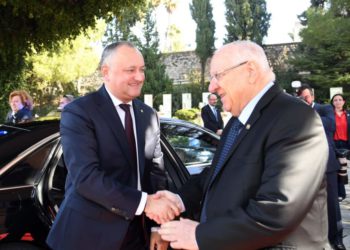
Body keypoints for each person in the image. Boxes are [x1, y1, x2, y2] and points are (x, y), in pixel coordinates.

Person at [156, 41, 329, 249]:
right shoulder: (236, 123)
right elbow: (217, 174)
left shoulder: (295, 118)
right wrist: (179, 199)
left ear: (250, 71)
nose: (212, 86)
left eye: (218, 75)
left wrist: (199, 235)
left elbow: (277, 210)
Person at [46, 41, 180, 250]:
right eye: (131, 70)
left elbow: (156, 176)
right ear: (106, 72)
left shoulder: (149, 115)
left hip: (138, 236)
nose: (140, 77)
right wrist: (145, 203)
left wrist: (157, 228)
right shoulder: (79, 112)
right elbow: (86, 177)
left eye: (142, 69)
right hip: (87, 237)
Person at [298, 85, 345, 250]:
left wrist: (305, 114)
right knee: (308, 205)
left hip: (326, 163)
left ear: (312, 95)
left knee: (332, 204)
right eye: (301, 98)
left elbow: (330, 125)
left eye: (306, 97)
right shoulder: (296, 113)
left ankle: (336, 239)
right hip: (305, 165)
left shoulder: (324, 108)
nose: (304, 100)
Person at [331, 94, 350, 201]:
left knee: (343, 169)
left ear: (344, 102)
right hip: (334, 144)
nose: (337, 102)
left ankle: (341, 193)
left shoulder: (348, 114)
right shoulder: (330, 114)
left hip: (345, 144)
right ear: (332, 102)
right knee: (338, 168)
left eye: (340, 100)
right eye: (335, 100)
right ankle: (340, 193)